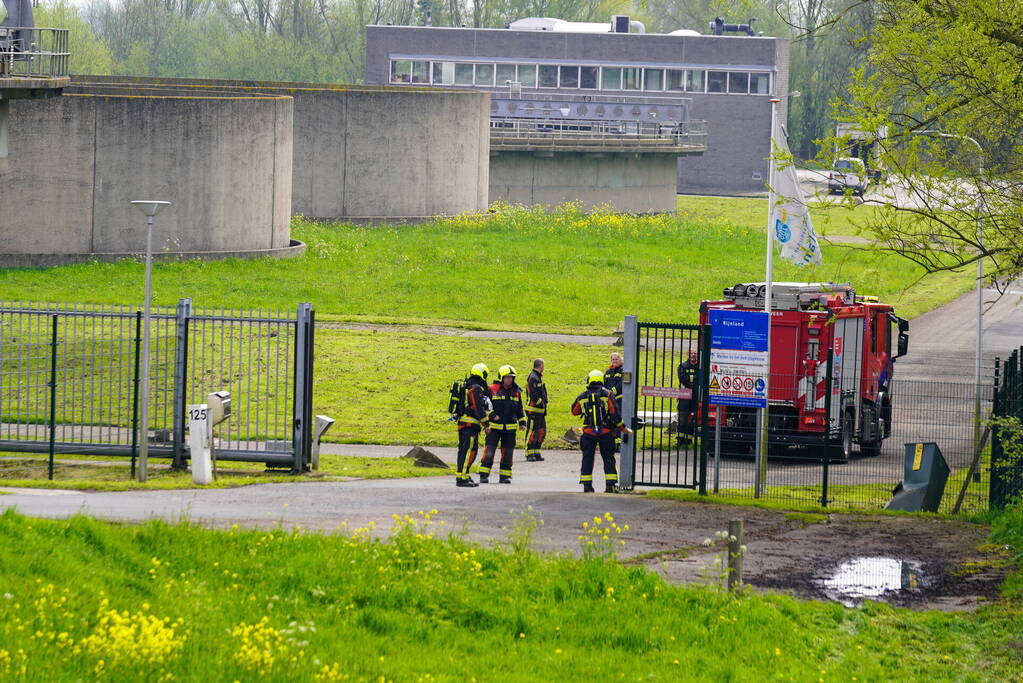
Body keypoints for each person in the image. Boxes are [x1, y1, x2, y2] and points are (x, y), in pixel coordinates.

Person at [571, 369, 632, 493]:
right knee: (608, 458)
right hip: (605, 432)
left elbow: (574, 411)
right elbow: (615, 413)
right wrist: (622, 428)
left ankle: (587, 486)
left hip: (588, 433)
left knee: (587, 458)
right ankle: (610, 486)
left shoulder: (582, 396)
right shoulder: (608, 394)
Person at [479, 365, 526, 484]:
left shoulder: (516, 392)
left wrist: (522, 421)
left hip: (510, 429)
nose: (509, 379)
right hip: (494, 428)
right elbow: (484, 405)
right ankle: (484, 474)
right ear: (502, 377)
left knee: (508, 453)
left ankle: (505, 476)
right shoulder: (492, 389)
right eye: (507, 377)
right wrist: (492, 415)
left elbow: (519, 408)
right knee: (489, 452)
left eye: (511, 377)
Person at [455, 363, 493, 488]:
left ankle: (463, 474)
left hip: (465, 424)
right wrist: (486, 423)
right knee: (469, 451)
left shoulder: (468, 385)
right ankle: (461, 478)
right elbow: (477, 407)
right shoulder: (476, 388)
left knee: (464, 451)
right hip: (469, 426)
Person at [524, 358, 548, 462]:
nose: (544, 368)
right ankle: (529, 452)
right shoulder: (533, 378)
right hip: (533, 411)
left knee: (542, 431)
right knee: (532, 432)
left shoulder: (537, 377)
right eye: (543, 366)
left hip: (540, 411)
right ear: (540, 366)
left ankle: (536, 451)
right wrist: (540, 403)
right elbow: (532, 393)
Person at [676, 349, 699, 445]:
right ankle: (680, 439)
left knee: (693, 416)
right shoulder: (683, 366)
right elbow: (683, 379)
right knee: (682, 416)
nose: (693, 355)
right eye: (691, 353)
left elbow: (702, 379)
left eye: (695, 353)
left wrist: (692, 381)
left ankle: (689, 439)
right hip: (684, 394)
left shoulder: (700, 366)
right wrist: (693, 381)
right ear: (687, 354)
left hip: (696, 395)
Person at [605, 352, 625, 452]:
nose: (614, 361)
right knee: (610, 421)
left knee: (618, 420)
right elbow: (604, 384)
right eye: (613, 359)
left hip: (619, 400)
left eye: (616, 359)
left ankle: (619, 443)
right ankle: (611, 443)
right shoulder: (608, 372)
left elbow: (621, 385)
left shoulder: (623, 371)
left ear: (621, 360)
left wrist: (611, 391)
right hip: (609, 400)